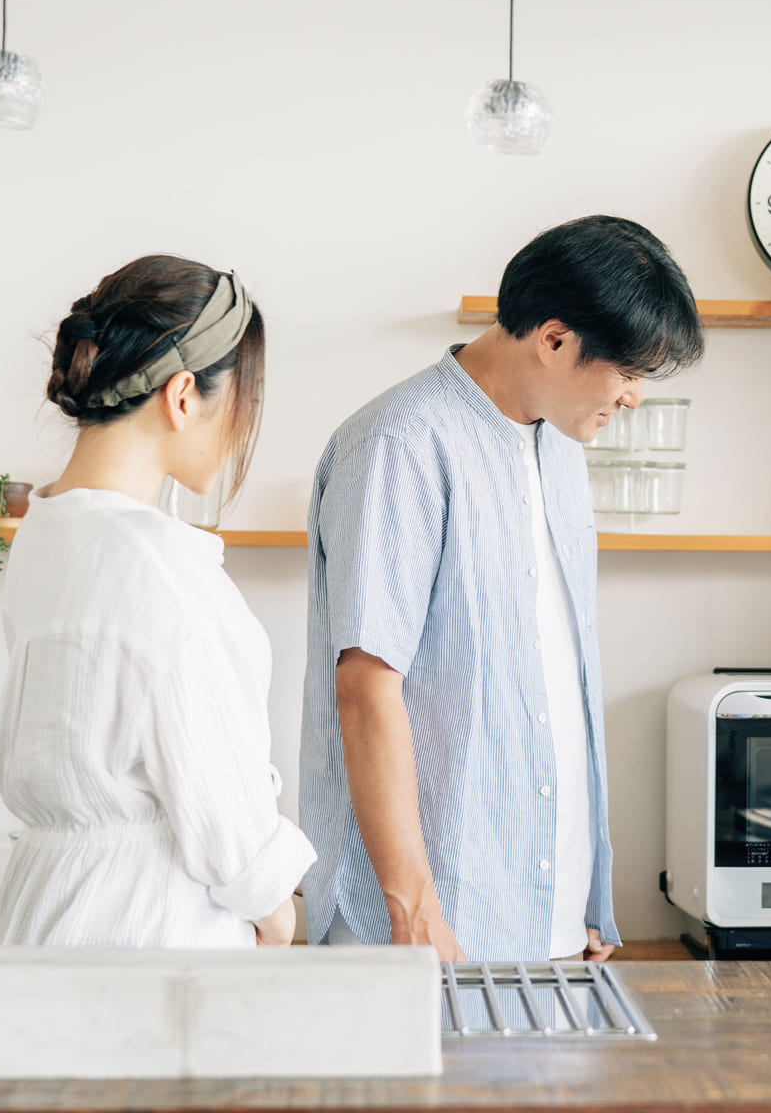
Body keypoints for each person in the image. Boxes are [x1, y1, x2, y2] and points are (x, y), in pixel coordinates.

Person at [301, 216, 703, 962]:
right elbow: (365, 690)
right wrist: (414, 908)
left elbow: (548, 679)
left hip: (541, 921)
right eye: (629, 370)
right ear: (554, 339)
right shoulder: (401, 442)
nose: (636, 398)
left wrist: (573, 899)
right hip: (428, 923)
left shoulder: (560, 445)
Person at [0, 254, 313, 948]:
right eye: (244, 401)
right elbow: (224, 811)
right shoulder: (157, 563)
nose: (245, 425)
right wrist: (278, 914)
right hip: (149, 934)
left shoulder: (46, 534)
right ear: (185, 394)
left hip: (43, 918)